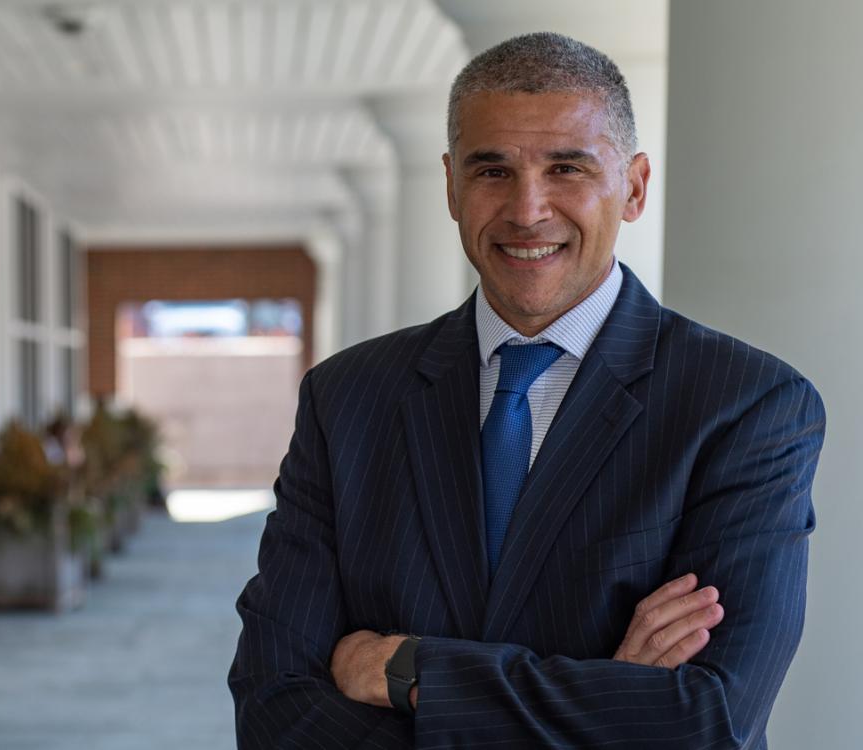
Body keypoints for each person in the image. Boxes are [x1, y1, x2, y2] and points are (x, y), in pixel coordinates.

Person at [229, 32, 825, 748]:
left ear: (633, 188)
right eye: (492, 171)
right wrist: (609, 698)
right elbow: (273, 708)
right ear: (451, 186)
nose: (527, 209)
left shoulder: (745, 406)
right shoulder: (344, 400)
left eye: (567, 168)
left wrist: (410, 671)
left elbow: (708, 718)